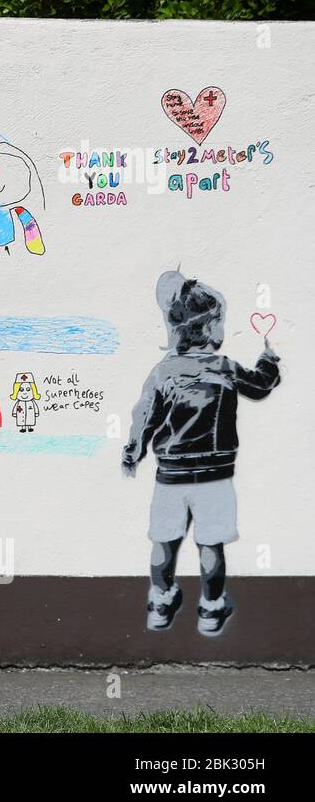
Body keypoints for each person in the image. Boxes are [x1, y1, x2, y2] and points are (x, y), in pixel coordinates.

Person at [122, 270, 281, 637]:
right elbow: (258, 387)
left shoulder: (163, 371)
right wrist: (270, 363)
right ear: (212, 329)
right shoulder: (224, 368)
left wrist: (132, 452)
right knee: (210, 546)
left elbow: (143, 414)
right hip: (215, 477)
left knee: (164, 542)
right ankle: (211, 610)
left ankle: (161, 602)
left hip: (170, 476)